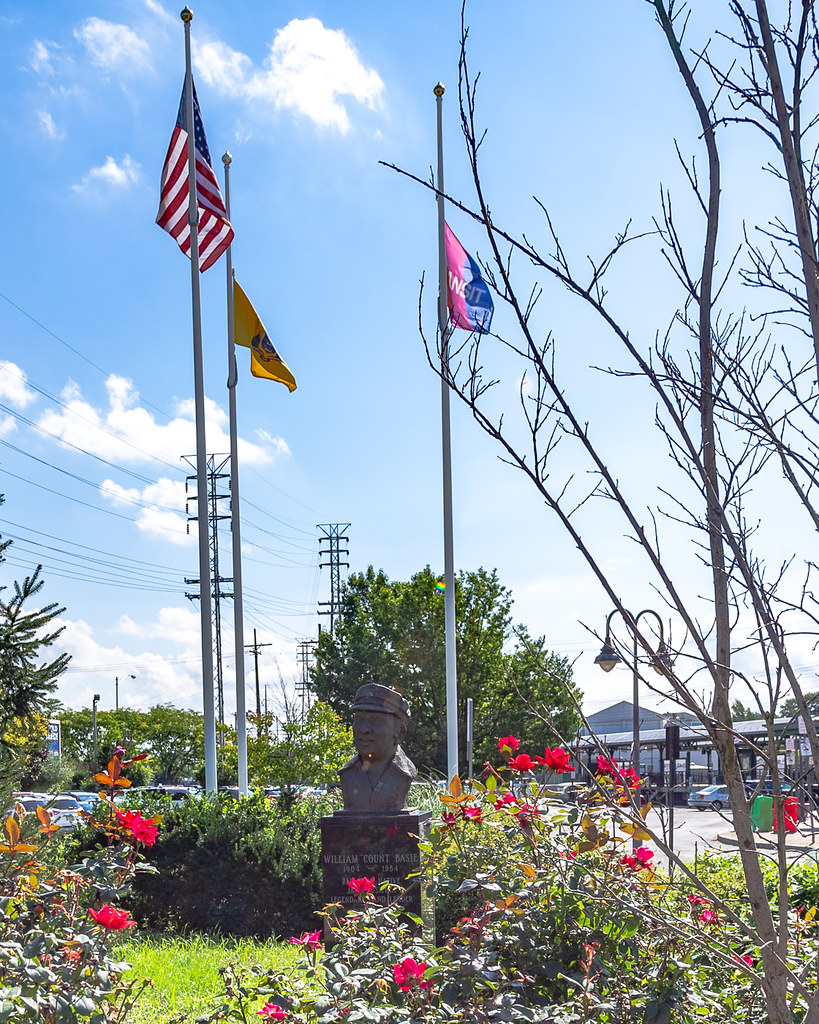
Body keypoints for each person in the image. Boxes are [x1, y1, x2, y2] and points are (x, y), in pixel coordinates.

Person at [339, 684, 417, 812]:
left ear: (399, 732)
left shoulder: (404, 773)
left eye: (376, 721)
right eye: (359, 719)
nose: (363, 729)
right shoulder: (347, 774)